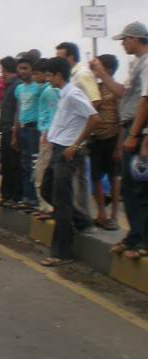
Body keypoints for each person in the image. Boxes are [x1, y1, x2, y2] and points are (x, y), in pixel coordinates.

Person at [39, 57, 98, 267]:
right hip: (58, 148)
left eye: (49, 75)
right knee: (47, 190)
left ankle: (61, 253)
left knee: (61, 200)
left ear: (58, 75)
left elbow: (93, 118)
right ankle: (82, 221)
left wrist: (76, 146)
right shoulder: (63, 95)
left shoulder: (73, 94)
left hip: (67, 151)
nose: (47, 79)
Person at [100, 22, 148, 259]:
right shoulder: (136, 64)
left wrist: (134, 134)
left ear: (136, 39)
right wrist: (100, 73)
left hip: (139, 133)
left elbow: (146, 101)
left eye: (125, 39)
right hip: (132, 129)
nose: (122, 44)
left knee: (140, 188)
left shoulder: (147, 63)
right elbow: (123, 94)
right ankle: (134, 237)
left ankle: (143, 241)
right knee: (129, 188)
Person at [56, 41, 100, 215]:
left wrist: (80, 130)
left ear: (71, 57)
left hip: (79, 134)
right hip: (70, 133)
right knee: (76, 176)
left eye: (60, 57)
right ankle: (79, 214)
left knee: (79, 176)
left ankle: (82, 216)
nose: (57, 61)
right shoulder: (70, 76)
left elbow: (94, 101)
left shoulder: (82, 74)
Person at [87, 54, 122, 230]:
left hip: (112, 137)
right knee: (96, 178)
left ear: (107, 70)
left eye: (98, 65)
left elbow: (121, 119)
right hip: (96, 138)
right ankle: (102, 213)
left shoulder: (116, 90)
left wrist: (119, 146)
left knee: (113, 178)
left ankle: (114, 215)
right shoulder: (94, 88)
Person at [12, 57, 42, 210]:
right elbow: (18, 110)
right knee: (24, 165)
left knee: (34, 165)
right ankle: (27, 197)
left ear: (32, 70)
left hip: (34, 130)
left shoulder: (39, 87)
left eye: (25, 68)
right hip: (22, 130)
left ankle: (35, 199)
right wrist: (15, 133)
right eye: (20, 68)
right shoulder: (19, 88)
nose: (22, 72)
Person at [34, 59, 59, 218]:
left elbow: (52, 115)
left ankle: (47, 207)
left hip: (48, 136)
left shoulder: (51, 91)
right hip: (48, 134)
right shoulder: (46, 89)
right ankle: (45, 206)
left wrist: (46, 132)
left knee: (43, 172)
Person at [0, 56, 21, 207]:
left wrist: (14, 132)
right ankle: (6, 195)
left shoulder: (16, 86)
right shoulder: (8, 85)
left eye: (2, 70)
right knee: (6, 164)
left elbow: (18, 111)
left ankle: (14, 196)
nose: (1, 73)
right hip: (5, 129)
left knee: (14, 165)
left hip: (13, 131)